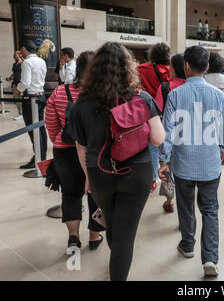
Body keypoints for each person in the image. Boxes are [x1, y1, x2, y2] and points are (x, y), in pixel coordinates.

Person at [71, 42, 165, 281]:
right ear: (128, 68)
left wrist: (88, 178)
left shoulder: (80, 104)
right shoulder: (141, 98)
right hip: (137, 172)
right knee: (126, 233)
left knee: (113, 224)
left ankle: (117, 262)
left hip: (99, 173)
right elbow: (158, 139)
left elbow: (81, 147)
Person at [158, 45, 224, 277]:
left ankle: (188, 246)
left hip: (183, 164)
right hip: (210, 164)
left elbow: (167, 131)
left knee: (186, 205)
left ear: (186, 66)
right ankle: (210, 258)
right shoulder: (218, 95)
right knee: (210, 209)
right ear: (208, 66)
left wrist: (163, 160)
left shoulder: (175, 95)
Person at [45, 51, 105, 250]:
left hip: (65, 151)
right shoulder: (102, 95)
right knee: (96, 193)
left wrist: (59, 139)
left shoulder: (60, 93)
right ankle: (94, 237)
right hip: (95, 152)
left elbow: (50, 123)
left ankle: (73, 236)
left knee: (70, 193)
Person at [154, 53, 186, 213]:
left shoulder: (165, 87)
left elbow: (158, 111)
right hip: (188, 136)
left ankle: (169, 200)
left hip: (168, 135)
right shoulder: (190, 86)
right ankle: (184, 206)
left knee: (167, 168)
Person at [137, 43, 171, 191]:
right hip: (167, 110)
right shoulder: (170, 71)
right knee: (168, 142)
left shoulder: (141, 69)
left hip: (147, 110)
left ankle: (152, 179)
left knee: (152, 145)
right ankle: (168, 176)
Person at [17, 40, 48, 169]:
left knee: (32, 129)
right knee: (40, 127)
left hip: (31, 99)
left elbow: (25, 82)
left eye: (21, 50)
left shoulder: (27, 62)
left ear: (24, 49)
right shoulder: (42, 61)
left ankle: (38, 157)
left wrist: (17, 88)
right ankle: (42, 156)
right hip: (41, 96)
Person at [6, 51, 23, 121]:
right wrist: (10, 78)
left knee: (23, 99)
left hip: (22, 84)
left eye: (15, 54)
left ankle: (25, 113)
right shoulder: (15, 64)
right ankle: (20, 114)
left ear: (20, 55)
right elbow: (14, 73)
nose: (14, 55)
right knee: (17, 100)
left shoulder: (24, 63)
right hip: (15, 83)